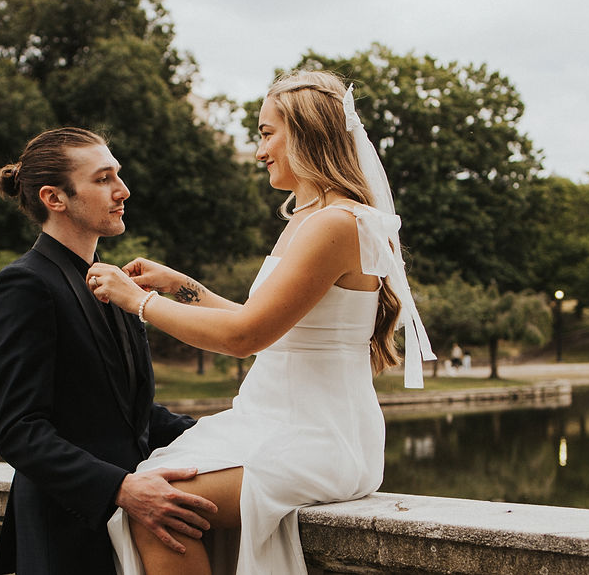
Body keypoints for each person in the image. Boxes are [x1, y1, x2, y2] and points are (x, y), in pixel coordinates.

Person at [87, 70, 436, 574]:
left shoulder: (337, 224)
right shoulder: (308, 217)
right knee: (152, 494)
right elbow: (271, 330)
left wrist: (135, 302)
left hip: (319, 436)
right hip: (280, 424)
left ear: (307, 133)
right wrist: (183, 286)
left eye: (267, 133)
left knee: (157, 508)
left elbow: (245, 338)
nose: (258, 151)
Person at [0, 127, 218, 575]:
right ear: (55, 198)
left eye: (118, 175)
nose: (122, 190)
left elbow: (133, 416)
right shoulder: (25, 285)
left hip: (132, 528)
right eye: (104, 179)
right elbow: (19, 430)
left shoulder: (114, 285)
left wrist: (230, 435)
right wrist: (122, 489)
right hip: (65, 536)